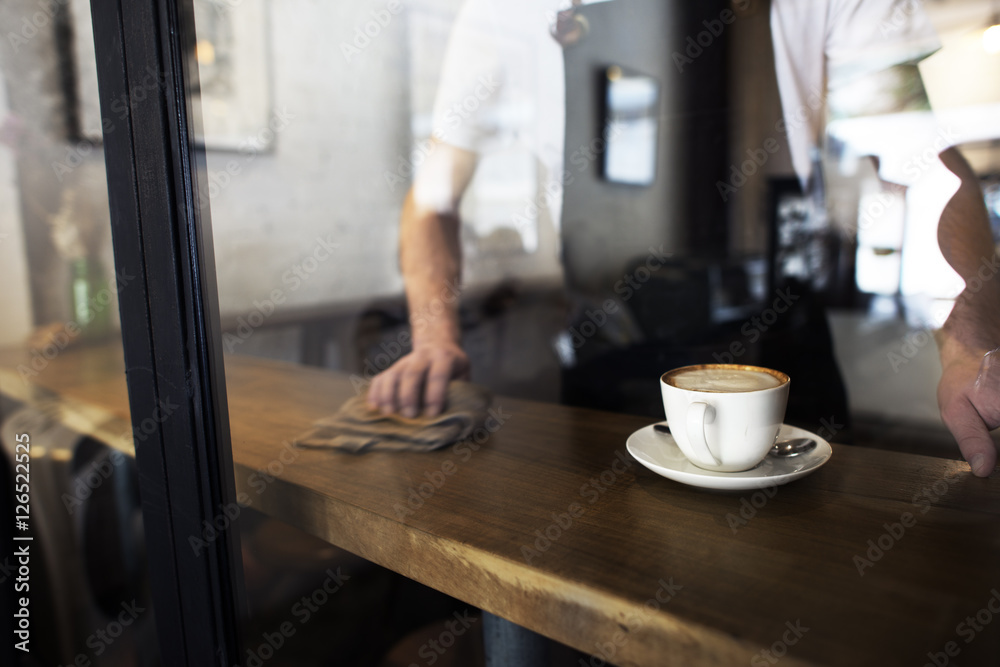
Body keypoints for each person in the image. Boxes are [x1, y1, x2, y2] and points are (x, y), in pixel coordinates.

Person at [368, 0, 1000, 477]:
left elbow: (923, 162)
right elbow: (431, 201)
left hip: (783, 355)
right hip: (605, 359)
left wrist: (969, 342)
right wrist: (432, 338)